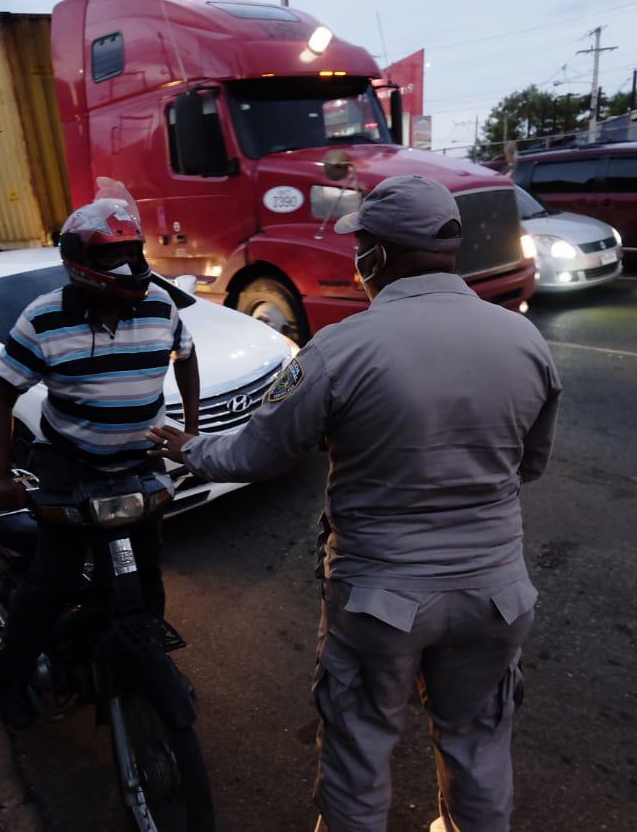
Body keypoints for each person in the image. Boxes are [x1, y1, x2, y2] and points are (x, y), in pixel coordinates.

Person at [148, 176, 560, 832]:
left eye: (361, 245)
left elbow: (255, 453)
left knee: (360, 747)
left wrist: (189, 447)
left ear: (377, 254)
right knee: (479, 742)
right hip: (496, 593)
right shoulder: (523, 341)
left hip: (381, 598)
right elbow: (528, 465)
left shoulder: (341, 349)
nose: (358, 258)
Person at [0, 196, 200, 728]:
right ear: (80, 263)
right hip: (68, 461)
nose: (131, 265)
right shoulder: (44, 318)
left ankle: (146, 660)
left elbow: (187, 358)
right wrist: (2, 473)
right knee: (51, 581)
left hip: (139, 462)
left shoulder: (160, 306)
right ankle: (8, 677)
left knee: (146, 577)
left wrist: (190, 431)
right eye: (113, 255)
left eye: (134, 250)